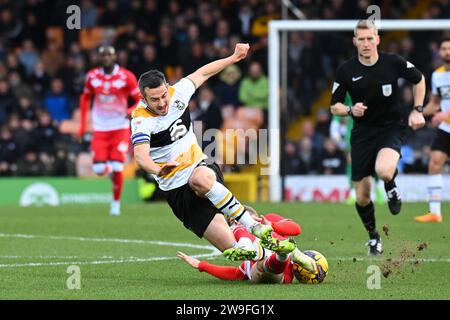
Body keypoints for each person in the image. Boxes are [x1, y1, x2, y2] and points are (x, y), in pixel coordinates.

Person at [131, 43, 291, 258]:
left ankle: (253, 226)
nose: (162, 103)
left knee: (200, 179)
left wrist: (233, 58)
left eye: (163, 96)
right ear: (143, 98)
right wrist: (157, 169)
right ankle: (271, 255)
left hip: (199, 166)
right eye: (155, 99)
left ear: (167, 87)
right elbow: (141, 157)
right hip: (175, 189)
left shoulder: (178, 92)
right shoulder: (141, 119)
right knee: (235, 249)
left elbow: (204, 72)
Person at [330, 20, 426, 256]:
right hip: (362, 133)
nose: (365, 43)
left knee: (383, 170)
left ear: (377, 39)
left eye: (369, 38)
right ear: (355, 41)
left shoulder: (393, 62)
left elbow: (419, 79)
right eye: (361, 39)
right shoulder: (346, 70)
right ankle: (373, 236)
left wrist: (418, 109)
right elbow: (335, 106)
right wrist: (351, 111)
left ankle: (391, 186)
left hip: (391, 128)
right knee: (362, 196)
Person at [78, 46, 141, 216]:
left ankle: (115, 204)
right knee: (98, 169)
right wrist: (83, 125)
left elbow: (139, 99)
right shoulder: (92, 76)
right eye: (103, 55)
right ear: (99, 57)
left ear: (115, 57)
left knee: (117, 165)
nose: (106, 57)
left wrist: (130, 111)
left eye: (109, 55)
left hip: (119, 127)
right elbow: (85, 98)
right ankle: (110, 173)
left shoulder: (126, 77)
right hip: (100, 128)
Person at [177, 212, 323, 284]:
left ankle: (282, 253)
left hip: (278, 266)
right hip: (277, 273)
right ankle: (284, 254)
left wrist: (272, 225)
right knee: (258, 269)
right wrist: (202, 265)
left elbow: (296, 229)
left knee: (256, 269)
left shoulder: (268, 220)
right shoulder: (245, 260)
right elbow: (235, 273)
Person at [415, 37, 450, 223]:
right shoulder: (437, 75)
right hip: (447, 128)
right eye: (443, 48)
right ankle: (435, 212)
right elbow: (435, 103)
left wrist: (444, 115)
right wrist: (417, 111)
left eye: (449, 48)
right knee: (435, 162)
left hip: (446, 121)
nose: (447, 52)